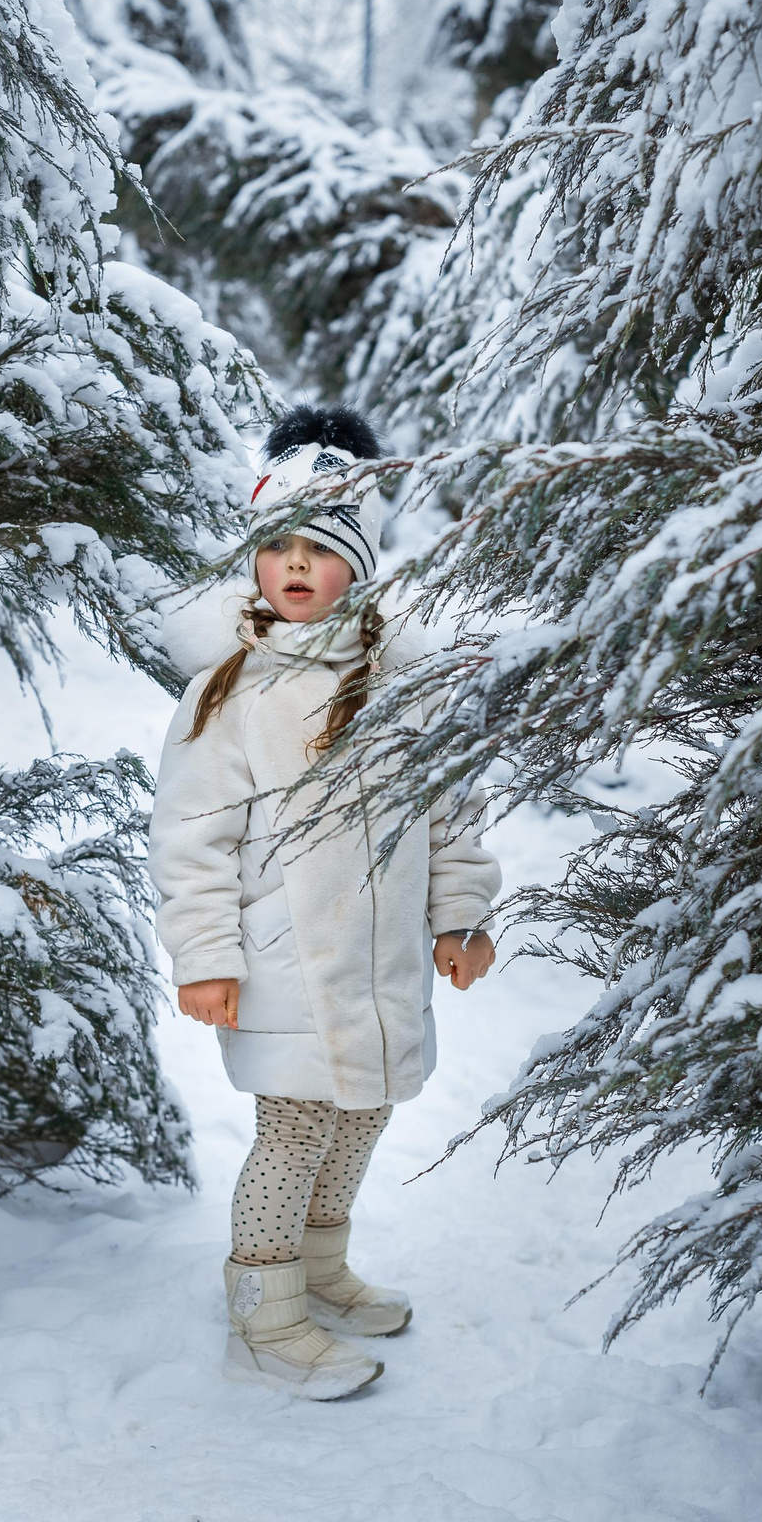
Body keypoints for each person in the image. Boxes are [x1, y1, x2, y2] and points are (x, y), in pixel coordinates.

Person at [149, 407, 501, 1401]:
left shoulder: (406, 684)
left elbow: (450, 811)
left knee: (363, 1114)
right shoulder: (229, 693)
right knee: (296, 1127)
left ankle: (317, 1268)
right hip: (282, 958)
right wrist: (205, 957)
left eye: (320, 548)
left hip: (381, 957)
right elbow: (191, 836)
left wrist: (460, 916)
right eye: (277, 548)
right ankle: (264, 1311)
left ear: (362, 565)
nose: (295, 566)